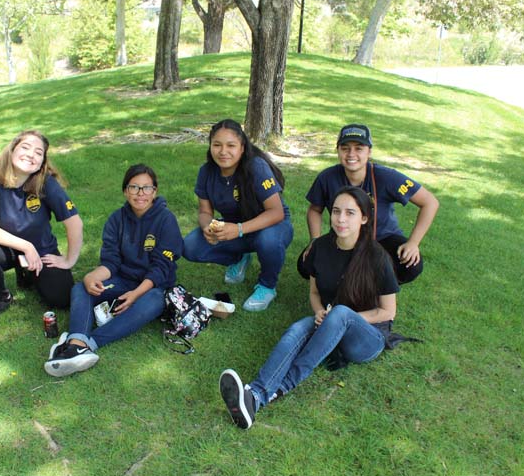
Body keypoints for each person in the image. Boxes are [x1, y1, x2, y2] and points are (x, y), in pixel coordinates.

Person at [219, 186, 402, 429]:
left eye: (350, 213)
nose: (341, 219)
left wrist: (338, 317)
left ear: (364, 218)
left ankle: (280, 388)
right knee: (298, 328)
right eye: (336, 211)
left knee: (340, 314)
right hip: (331, 323)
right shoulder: (320, 247)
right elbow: (315, 293)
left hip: (368, 337)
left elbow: (388, 312)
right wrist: (319, 312)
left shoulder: (377, 257)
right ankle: (256, 395)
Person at [44, 164, 183, 377]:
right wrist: (92, 277)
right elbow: (111, 262)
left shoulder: (166, 220)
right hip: (122, 280)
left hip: (152, 287)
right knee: (81, 288)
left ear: (155, 191)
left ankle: (89, 344)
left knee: (154, 301)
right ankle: (77, 342)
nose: (140, 194)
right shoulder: (116, 220)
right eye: (134, 187)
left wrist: (136, 294)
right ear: (125, 190)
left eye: (146, 188)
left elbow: (161, 268)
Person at [0, 130, 83, 323]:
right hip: (4, 249)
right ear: (12, 150)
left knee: (61, 299)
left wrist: (69, 260)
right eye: (25, 147)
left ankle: (27, 273)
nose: (31, 155)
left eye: (38, 152)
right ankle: (2, 297)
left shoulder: (46, 183)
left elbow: (74, 222)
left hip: (41, 249)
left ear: (42, 162)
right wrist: (26, 247)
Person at [299, 124, 439, 284]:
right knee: (306, 263)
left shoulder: (387, 177)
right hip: (343, 237)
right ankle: (349, 278)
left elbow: (430, 202)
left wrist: (413, 243)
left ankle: (374, 284)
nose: (351, 154)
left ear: (369, 152)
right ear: (337, 150)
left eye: (359, 148)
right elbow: (314, 210)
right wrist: (314, 240)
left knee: (411, 264)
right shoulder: (327, 177)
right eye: (345, 148)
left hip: (383, 238)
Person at [183, 119, 293, 312]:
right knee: (191, 246)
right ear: (210, 147)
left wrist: (239, 229)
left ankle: (267, 286)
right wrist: (207, 226)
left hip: (271, 226)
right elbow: (204, 211)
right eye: (217, 145)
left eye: (230, 145)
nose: (223, 151)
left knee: (267, 240)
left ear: (242, 148)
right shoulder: (206, 172)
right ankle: (238, 259)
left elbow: (276, 212)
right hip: (235, 228)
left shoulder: (256, 167)